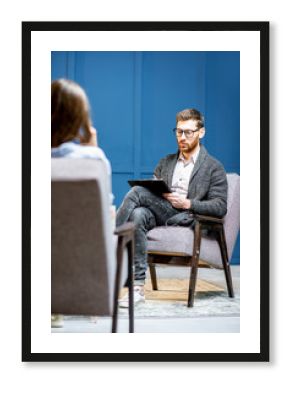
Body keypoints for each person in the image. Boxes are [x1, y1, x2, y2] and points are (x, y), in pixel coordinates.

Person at [117, 108, 228, 307]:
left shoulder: (214, 167)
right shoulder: (165, 162)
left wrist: (188, 203)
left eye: (188, 132)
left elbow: (220, 206)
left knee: (137, 193)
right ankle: (138, 288)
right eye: (178, 132)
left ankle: (109, 238)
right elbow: (153, 192)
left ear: (201, 132)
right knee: (138, 213)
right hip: (163, 212)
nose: (182, 137)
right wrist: (156, 190)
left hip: (187, 215)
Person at [51, 78, 113, 327]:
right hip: (86, 259)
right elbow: (103, 207)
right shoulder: (93, 158)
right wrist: (93, 150)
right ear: (80, 118)